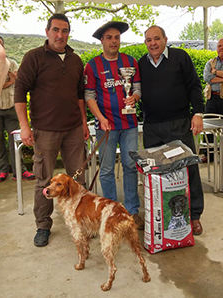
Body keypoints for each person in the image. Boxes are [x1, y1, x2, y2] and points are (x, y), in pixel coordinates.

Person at [14, 14, 90, 247]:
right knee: (44, 180)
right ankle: (43, 226)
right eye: (56, 30)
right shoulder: (33, 57)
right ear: (47, 31)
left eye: (65, 31)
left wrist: (84, 122)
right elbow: (20, 93)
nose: (60, 35)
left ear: (69, 33)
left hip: (74, 129)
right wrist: (25, 126)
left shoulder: (76, 60)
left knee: (78, 179)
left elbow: (80, 96)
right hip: (45, 131)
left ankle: (84, 222)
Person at [138, 25, 204, 235]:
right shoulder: (140, 64)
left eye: (157, 39)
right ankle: (160, 215)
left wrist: (198, 113)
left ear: (165, 39)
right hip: (152, 127)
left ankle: (194, 216)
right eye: (149, 40)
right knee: (156, 174)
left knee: (188, 169)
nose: (153, 44)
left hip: (179, 124)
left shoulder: (180, 57)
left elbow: (194, 85)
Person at [84, 21, 144, 229]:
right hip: (106, 127)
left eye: (117, 37)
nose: (114, 41)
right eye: (109, 38)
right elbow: (89, 96)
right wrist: (100, 118)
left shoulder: (130, 61)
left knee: (130, 166)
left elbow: (137, 89)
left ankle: (132, 211)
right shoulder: (92, 66)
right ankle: (110, 212)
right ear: (102, 40)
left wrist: (134, 98)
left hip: (129, 125)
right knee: (107, 169)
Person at [0, 36, 35, 182]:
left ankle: (20, 171)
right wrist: (10, 81)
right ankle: (3, 170)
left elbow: (18, 82)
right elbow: (12, 81)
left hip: (11, 107)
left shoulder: (11, 63)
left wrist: (13, 80)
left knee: (15, 140)